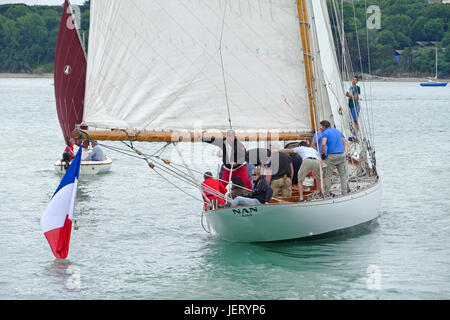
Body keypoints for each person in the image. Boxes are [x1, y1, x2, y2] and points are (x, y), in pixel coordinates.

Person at [319, 120, 349, 197]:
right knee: (342, 175)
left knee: (328, 175)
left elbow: (323, 144)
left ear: (324, 126)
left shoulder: (325, 133)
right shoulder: (337, 131)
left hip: (332, 156)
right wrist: (343, 151)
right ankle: (344, 192)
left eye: (321, 126)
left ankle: (327, 193)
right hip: (341, 154)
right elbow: (344, 141)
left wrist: (322, 153)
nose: (320, 128)